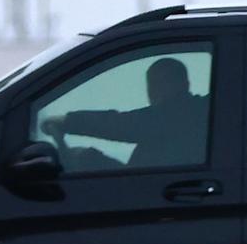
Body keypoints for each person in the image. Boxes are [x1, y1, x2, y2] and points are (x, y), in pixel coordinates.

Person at [40, 57, 209, 169]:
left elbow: (122, 124)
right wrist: (88, 157)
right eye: (152, 85)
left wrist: (69, 121)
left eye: (163, 83)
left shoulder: (183, 114)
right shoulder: (190, 115)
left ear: (184, 84)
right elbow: (135, 178)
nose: (155, 91)